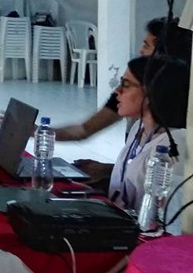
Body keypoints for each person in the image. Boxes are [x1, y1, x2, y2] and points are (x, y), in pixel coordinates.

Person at [54, 17, 192, 142]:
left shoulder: (176, 135)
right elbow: (84, 130)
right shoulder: (130, 104)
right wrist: (45, 133)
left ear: (164, 57)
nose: (141, 51)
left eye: (146, 46)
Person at [104, 56, 188, 219]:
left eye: (126, 85)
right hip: (118, 219)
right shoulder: (138, 128)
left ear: (151, 93)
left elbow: (168, 216)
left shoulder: (175, 143)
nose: (117, 91)